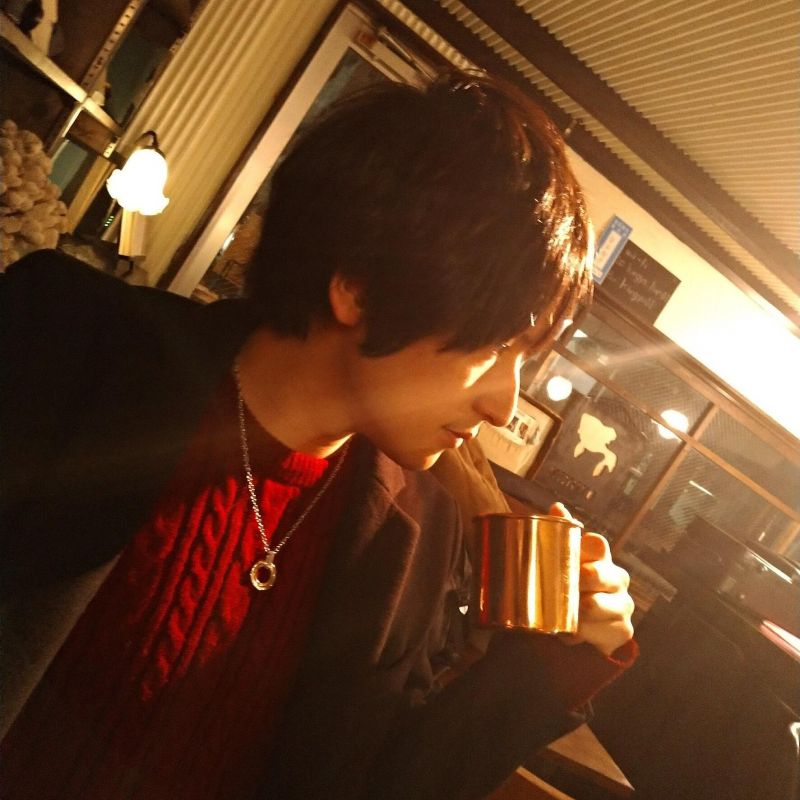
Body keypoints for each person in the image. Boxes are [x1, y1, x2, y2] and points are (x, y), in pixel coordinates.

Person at [0, 70, 635, 800]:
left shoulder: (420, 539)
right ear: (359, 286)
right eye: (494, 347)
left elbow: (379, 785)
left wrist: (551, 666)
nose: (503, 404)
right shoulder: (64, 344)